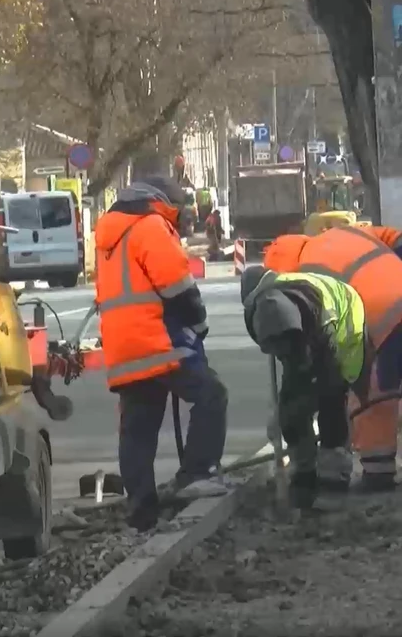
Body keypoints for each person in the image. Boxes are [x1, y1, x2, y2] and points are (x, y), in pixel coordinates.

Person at [94, 176, 229, 532]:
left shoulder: (109, 234)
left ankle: (141, 510)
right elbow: (177, 285)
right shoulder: (151, 224)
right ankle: (198, 472)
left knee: (137, 429)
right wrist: (198, 322)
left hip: (124, 348)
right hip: (158, 338)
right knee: (211, 395)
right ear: (162, 201)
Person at [263, 226, 402, 490]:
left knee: (370, 394)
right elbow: (395, 238)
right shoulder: (341, 234)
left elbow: (320, 358)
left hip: (380, 318)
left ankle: (378, 474)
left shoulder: (305, 278)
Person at [240, 266, 366, 506]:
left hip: (344, 329)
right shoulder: (267, 310)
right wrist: (283, 413)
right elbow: (293, 372)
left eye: (284, 347)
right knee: (291, 403)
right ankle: (305, 473)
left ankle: (333, 476)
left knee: (331, 401)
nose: (279, 353)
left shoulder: (321, 322)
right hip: (304, 330)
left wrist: (288, 410)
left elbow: (322, 382)